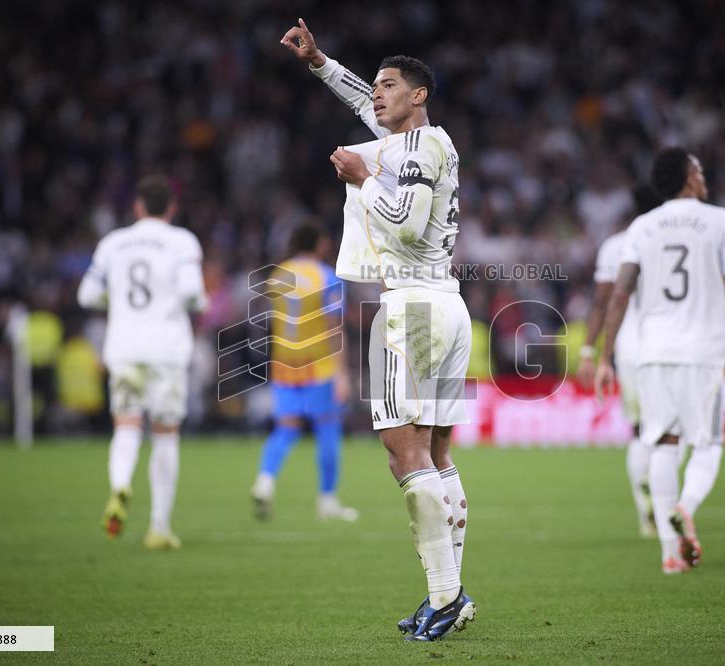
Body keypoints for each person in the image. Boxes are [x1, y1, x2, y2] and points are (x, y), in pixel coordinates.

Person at [281, 18, 475, 641]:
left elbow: (410, 226)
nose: (377, 94)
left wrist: (362, 184)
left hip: (412, 307)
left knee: (402, 450)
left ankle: (445, 595)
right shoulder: (412, 145)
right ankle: (448, 595)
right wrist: (317, 62)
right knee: (436, 453)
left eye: (389, 85)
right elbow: (357, 97)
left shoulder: (415, 150)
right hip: (444, 303)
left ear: (419, 95)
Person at [596, 148, 725, 574]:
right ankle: (688, 503)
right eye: (698, 167)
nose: (703, 174)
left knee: (662, 443)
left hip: (652, 352)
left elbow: (620, 294)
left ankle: (669, 551)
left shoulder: (643, 227)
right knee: (708, 442)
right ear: (687, 177)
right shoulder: (720, 220)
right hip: (704, 350)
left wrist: (606, 355)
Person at [77, 175, 207, 550]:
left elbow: (87, 295)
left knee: (127, 424)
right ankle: (159, 527)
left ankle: (120, 485)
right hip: (166, 350)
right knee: (165, 434)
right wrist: (198, 305)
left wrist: (116, 303)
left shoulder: (113, 243)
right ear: (171, 208)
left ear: (137, 207)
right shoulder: (182, 242)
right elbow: (192, 294)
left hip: (123, 347)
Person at [250, 224, 358, 522]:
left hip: (284, 363)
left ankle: (265, 481)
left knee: (285, 427)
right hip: (318, 363)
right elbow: (334, 327)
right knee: (328, 429)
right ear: (320, 243)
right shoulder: (326, 277)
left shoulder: (277, 275)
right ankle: (327, 499)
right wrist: (342, 373)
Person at [578, 185, 662, 538]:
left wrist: (591, 353)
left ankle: (647, 511)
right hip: (672, 346)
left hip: (628, 347)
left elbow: (601, 303)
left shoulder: (615, 246)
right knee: (676, 431)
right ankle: (665, 500)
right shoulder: (676, 243)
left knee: (640, 431)